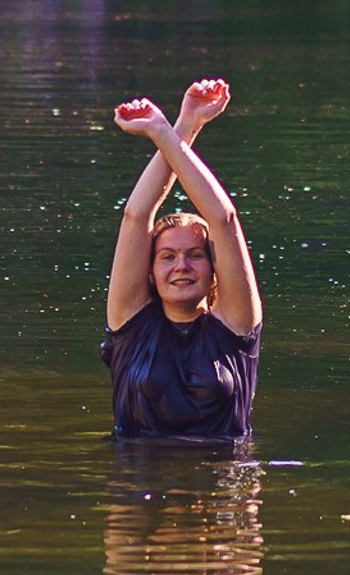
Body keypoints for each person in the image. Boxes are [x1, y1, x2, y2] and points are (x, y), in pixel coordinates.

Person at [102, 77, 266, 443]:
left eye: (195, 256)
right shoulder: (130, 324)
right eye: (167, 257)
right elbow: (135, 216)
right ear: (150, 271)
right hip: (138, 486)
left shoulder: (236, 327)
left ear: (214, 271)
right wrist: (181, 128)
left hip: (222, 488)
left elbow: (223, 221)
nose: (181, 266)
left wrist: (166, 131)